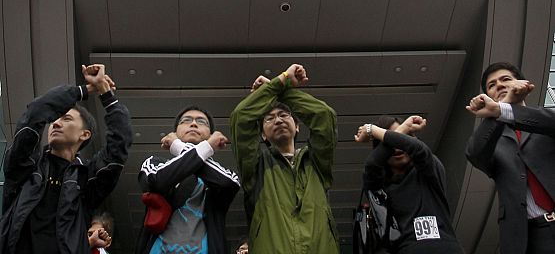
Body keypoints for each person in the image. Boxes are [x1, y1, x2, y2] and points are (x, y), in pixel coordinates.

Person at [0, 63, 132, 254]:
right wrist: (84, 90)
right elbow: (36, 112)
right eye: (55, 119)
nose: (56, 123)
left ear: (84, 135)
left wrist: (106, 94)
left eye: (67, 119)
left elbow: (119, 145)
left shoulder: (86, 180)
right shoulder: (25, 167)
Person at [230, 62, 340, 254]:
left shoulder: (316, 162)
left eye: (283, 114)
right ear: (263, 134)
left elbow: (324, 115)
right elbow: (241, 117)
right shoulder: (256, 166)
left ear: (297, 126)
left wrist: (279, 90)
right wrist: (281, 81)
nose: (278, 120)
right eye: (269, 118)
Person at [465, 60, 555, 254]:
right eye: (492, 85)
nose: (499, 85)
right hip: (530, 238)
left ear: (522, 83)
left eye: (506, 79)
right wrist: (501, 107)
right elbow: (474, 153)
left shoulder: (545, 120)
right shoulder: (491, 140)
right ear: (488, 96)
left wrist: (502, 110)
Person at [136, 105, 240, 254]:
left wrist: (178, 146)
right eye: (186, 120)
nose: (193, 123)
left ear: (210, 134)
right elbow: (156, 181)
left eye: (201, 122)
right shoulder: (155, 163)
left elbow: (229, 184)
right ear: (175, 132)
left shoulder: (223, 173)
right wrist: (208, 146)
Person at [355, 114, 463, 253]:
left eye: (403, 138)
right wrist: (404, 128)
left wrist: (372, 130)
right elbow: (372, 164)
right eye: (390, 143)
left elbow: (418, 149)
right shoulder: (379, 186)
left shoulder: (429, 169)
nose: (397, 148)